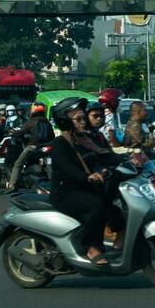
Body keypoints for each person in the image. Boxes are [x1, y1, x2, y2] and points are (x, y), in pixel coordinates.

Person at [46, 99, 112, 266]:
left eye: (84, 118)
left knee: (114, 203)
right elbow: (67, 167)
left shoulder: (85, 140)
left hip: (86, 188)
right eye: (78, 119)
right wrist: (87, 176)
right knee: (96, 206)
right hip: (66, 193)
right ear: (66, 121)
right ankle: (90, 247)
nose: (84, 122)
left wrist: (131, 159)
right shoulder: (59, 144)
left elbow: (105, 155)